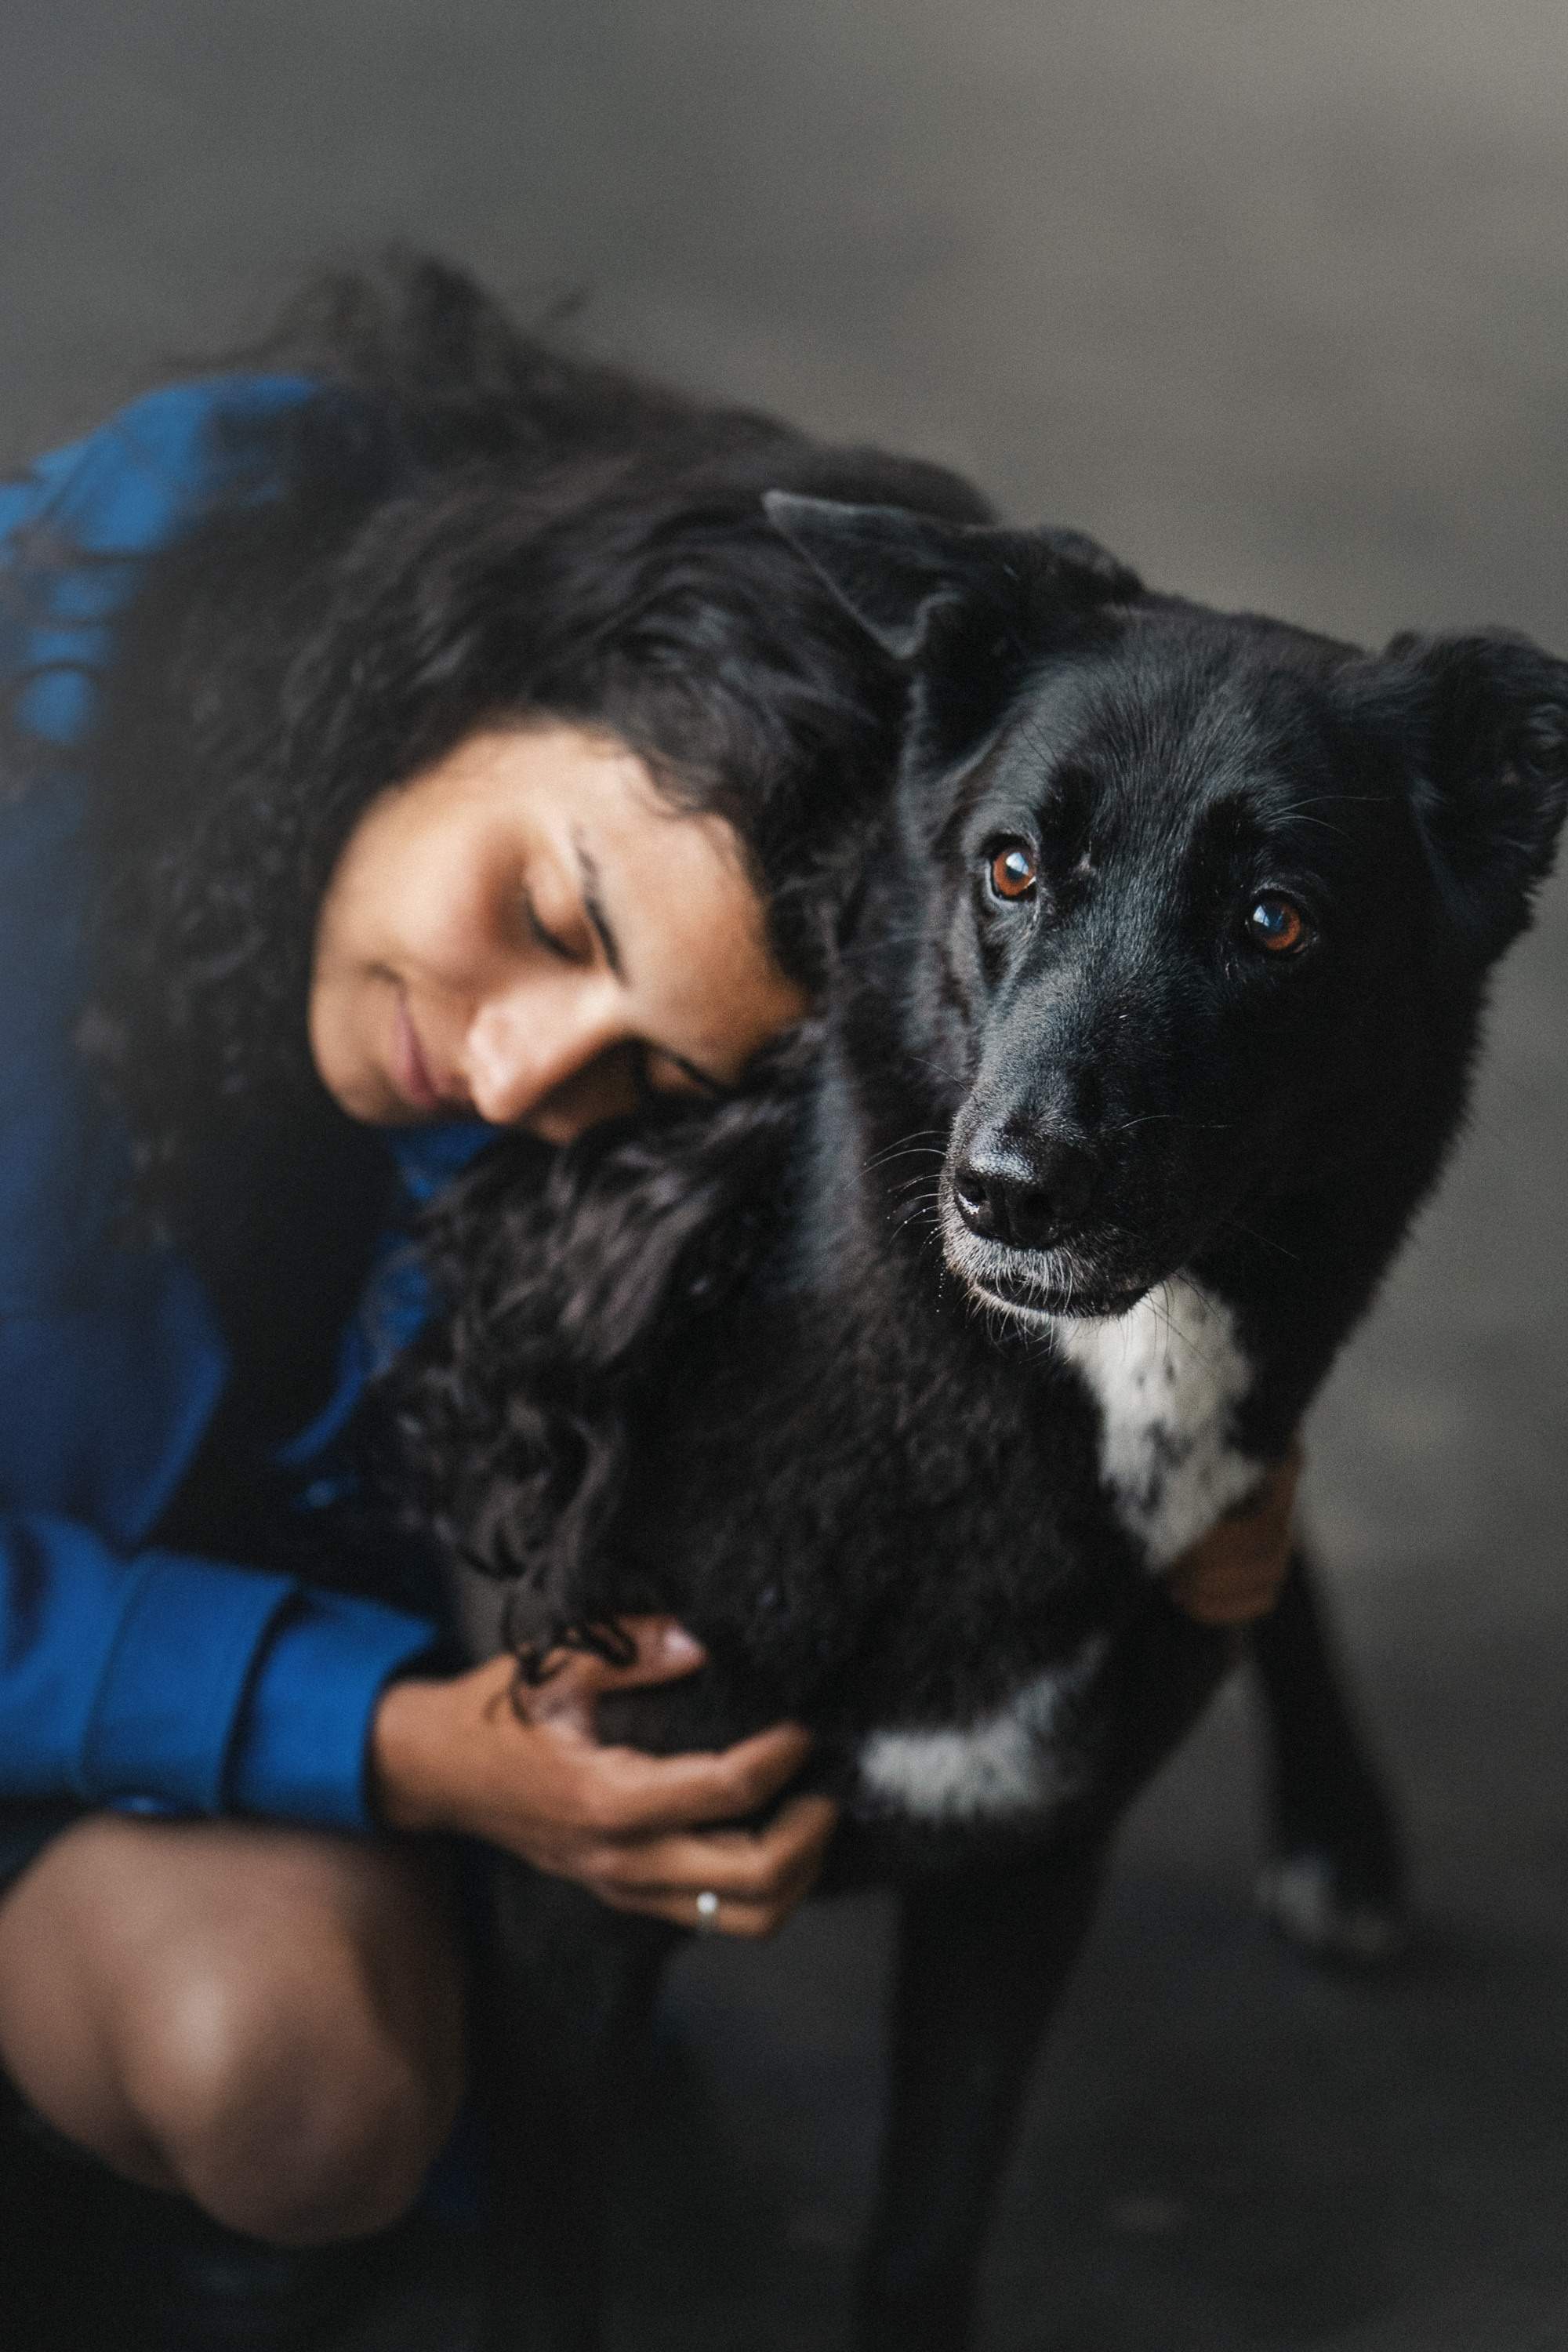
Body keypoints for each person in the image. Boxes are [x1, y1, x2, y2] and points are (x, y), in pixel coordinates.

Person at [0, 260, 1298, 2261]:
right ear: (480, 678)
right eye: (552, 909)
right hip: (154, 1669)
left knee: (296, 2078)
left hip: (155, 1708)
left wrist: (1185, 1455)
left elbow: (947, 1197)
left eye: (648, 1070)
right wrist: (383, 1740)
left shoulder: (611, 1138)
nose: (519, 1071)